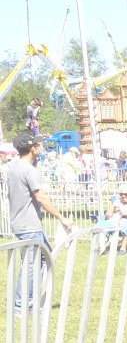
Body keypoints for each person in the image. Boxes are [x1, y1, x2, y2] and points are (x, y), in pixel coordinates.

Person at [8, 132, 73, 312]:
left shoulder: (14, 168)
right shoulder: (29, 170)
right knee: (31, 264)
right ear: (31, 148)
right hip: (29, 225)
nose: (41, 147)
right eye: (38, 145)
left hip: (21, 223)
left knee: (44, 259)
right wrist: (62, 218)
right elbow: (41, 199)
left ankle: (30, 299)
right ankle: (22, 305)